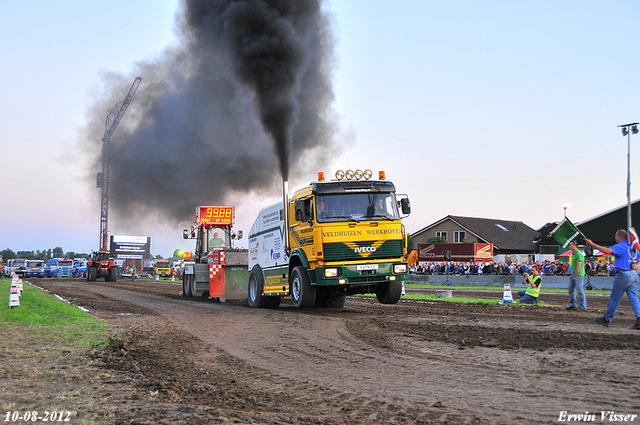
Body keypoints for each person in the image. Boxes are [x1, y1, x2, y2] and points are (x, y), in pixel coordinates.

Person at [585, 230, 640, 329]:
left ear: (619, 236)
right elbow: (639, 260)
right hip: (634, 275)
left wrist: (592, 244)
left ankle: (606, 319)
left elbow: (607, 251)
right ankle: (639, 319)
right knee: (634, 298)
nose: (615, 238)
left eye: (615, 236)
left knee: (614, 298)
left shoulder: (621, 246)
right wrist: (636, 265)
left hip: (624, 275)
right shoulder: (631, 246)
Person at [566, 240, 586, 310]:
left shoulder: (578, 254)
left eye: (570, 245)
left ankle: (582, 306)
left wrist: (575, 274)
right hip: (574, 274)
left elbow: (579, 265)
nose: (569, 246)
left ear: (575, 245)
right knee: (570, 289)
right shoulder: (574, 253)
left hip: (578, 275)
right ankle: (573, 304)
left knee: (580, 290)